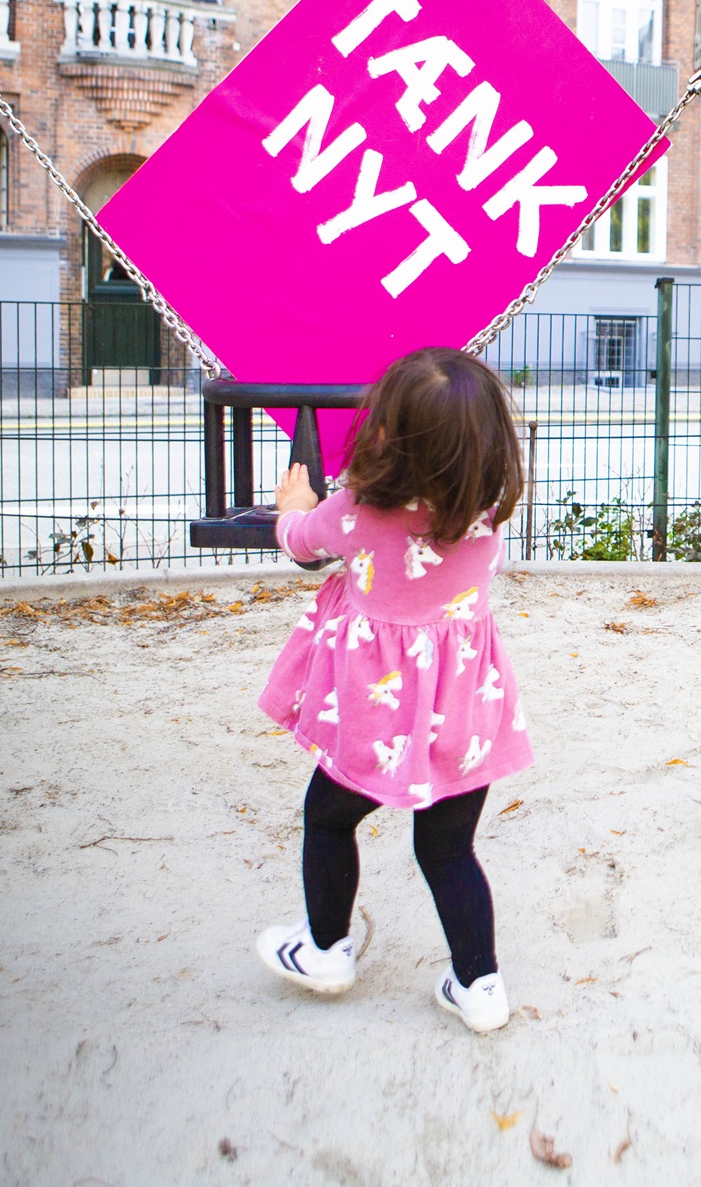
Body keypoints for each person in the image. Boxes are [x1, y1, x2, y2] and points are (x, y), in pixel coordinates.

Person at [251, 347, 531, 1033]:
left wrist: (294, 505)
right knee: (447, 849)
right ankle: (480, 983)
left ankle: (325, 949)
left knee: (328, 816)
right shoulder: (487, 513)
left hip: (377, 717)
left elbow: (302, 539)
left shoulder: (361, 512)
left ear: (390, 440)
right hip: (462, 715)